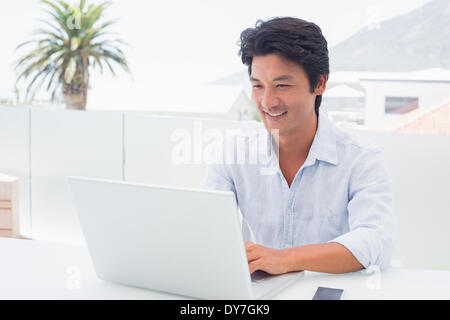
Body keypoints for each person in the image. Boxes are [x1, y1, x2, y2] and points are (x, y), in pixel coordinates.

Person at [202, 17, 394, 275]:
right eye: (258, 86)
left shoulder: (361, 160)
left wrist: (286, 259)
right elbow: (205, 229)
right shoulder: (233, 154)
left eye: (282, 85)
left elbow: (375, 241)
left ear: (320, 83)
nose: (268, 102)